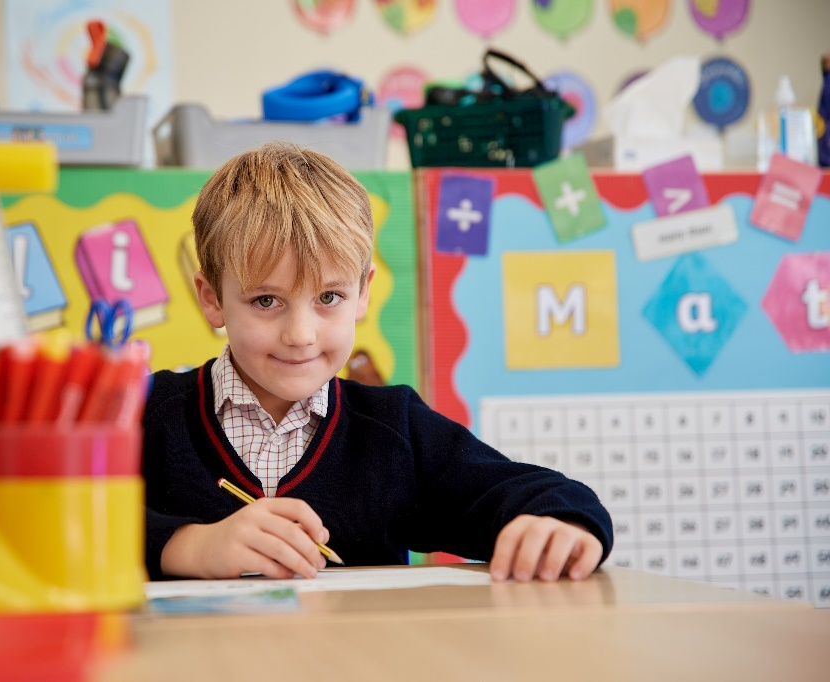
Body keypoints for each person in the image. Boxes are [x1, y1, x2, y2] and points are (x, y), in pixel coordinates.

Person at [142, 143, 613, 582]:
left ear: (363, 293)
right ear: (212, 299)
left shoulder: (393, 430)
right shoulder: (144, 414)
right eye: (266, 301)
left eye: (329, 297)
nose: (301, 335)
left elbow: (529, 492)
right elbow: (71, 519)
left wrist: (562, 522)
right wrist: (190, 546)